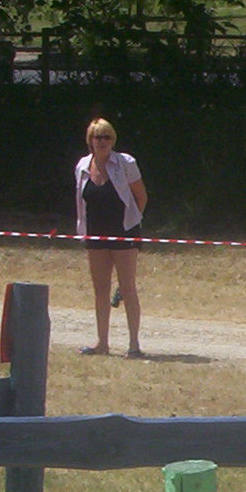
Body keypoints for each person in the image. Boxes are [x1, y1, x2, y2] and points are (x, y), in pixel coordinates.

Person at [75, 117, 148, 358]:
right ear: (91, 141)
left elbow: (141, 197)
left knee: (127, 287)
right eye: (98, 137)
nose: (102, 141)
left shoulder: (126, 162)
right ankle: (102, 343)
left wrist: (133, 223)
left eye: (107, 137)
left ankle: (134, 345)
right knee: (100, 289)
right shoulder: (83, 166)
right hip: (95, 233)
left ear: (113, 140)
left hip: (123, 232)